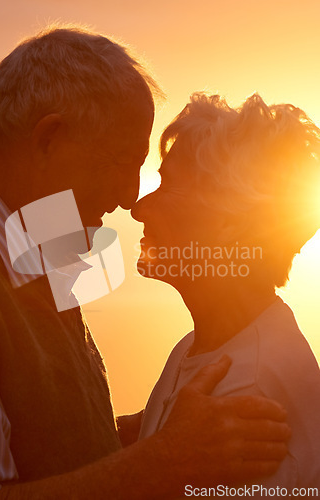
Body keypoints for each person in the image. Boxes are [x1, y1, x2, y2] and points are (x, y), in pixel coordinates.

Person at [0, 29, 290, 499]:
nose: (128, 199)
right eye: (124, 162)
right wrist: (163, 461)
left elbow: (33, 436)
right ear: (50, 138)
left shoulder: (29, 250)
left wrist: (142, 432)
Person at [132, 93, 320, 492]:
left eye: (168, 186)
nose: (140, 208)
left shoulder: (244, 397)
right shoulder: (201, 347)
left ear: (229, 225)